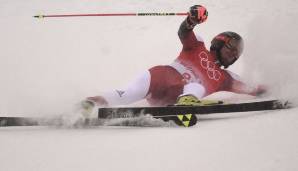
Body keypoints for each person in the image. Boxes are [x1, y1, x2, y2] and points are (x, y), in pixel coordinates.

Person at [82, 5, 266, 115]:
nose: (233, 53)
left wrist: (276, 88)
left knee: (198, 84)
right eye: (231, 47)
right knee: (128, 93)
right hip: (160, 77)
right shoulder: (198, 46)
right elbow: (184, 32)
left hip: (176, 97)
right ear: (219, 42)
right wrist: (191, 21)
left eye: (236, 53)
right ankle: (89, 103)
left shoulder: (226, 78)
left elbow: (252, 88)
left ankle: (187, 100)